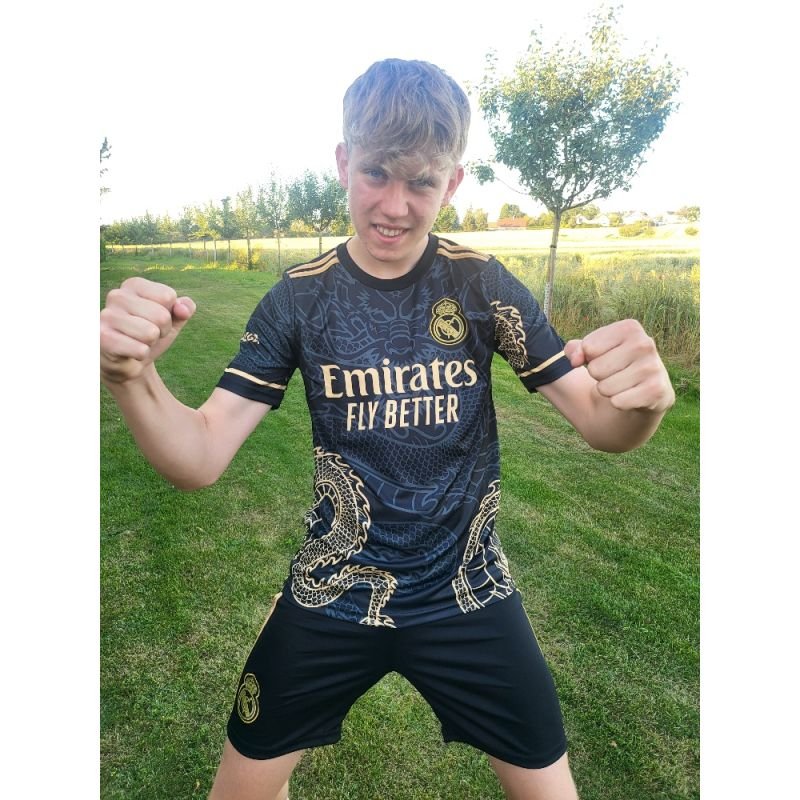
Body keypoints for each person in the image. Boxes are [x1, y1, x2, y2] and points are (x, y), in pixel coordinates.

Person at [100, 58, 675, 800]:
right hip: (334, 591)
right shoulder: (299, 299)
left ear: (453, 183)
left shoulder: (480, 285)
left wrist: (642, 406)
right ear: (345, 162)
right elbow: (200, 455)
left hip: (467, 593)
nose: (395, 205)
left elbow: (602, 424)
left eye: (421, 182)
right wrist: (132, 378)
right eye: (376, 172)